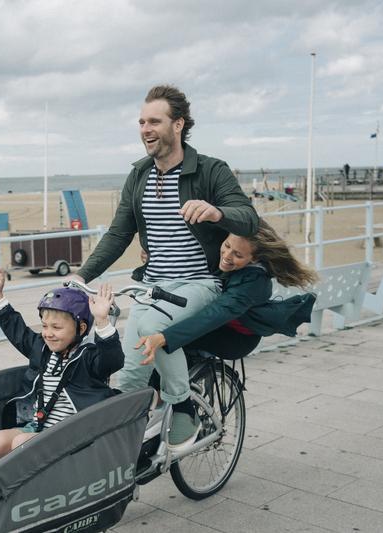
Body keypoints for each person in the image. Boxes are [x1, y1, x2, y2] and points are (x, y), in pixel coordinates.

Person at [74, 84, 258, 446]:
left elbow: (249, 218)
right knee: (129, 376)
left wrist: (217, 212)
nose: (145, 129)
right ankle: (124, 452)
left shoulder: (210, 170)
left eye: (154, 121)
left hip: (199, 283)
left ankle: (183, 405)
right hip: (152, 286)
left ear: (178, 125)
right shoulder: (139, 176)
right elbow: (119, 233)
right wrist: (81, 276)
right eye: (142, 122)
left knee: (151, 326)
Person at [135, 220, 317, 450]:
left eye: (238, 255)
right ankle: (167, 402)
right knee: (161, 357)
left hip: (233, 338)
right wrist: (154, 259)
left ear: (254, 258)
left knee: (165, 343)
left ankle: (184, 411)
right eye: (227, 246)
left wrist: (165, 337)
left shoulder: (254, 283)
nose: (228, 256)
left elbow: (215, 313)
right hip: (217, 325)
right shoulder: (222, 254)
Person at [0, 268, 124, 465]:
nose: (48, 333)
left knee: (21, 443)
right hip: (39, 426)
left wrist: (102, 321)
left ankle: (27, 485)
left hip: (72, 435)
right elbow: (17, 331)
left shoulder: (88, 357)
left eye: (56, 327)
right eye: (44, 326)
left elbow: (113, 360)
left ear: (81, 328)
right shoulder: (42, 349)